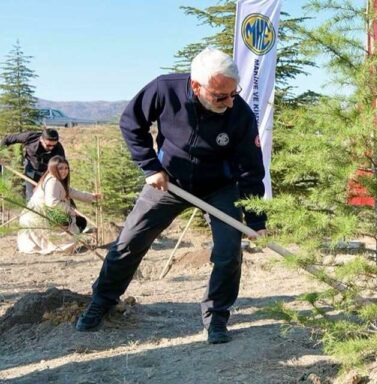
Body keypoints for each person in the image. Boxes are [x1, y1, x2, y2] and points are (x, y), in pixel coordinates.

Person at [75, 47, 268, 344]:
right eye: (220, 96)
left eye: (233, 93)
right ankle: (103, 300)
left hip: (219, 186)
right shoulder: (165, 89)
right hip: (168, 182)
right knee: (129, 240)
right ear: (196, 86)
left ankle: (216, 317)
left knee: (229, 252)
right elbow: (131, 123)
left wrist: (256, 220)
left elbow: (251, 169)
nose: (229, 102)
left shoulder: (239, 113)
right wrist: (149, 166)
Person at [17, 156, 99, 254]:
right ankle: (61, 247)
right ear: (53, 168)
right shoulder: (53, 181)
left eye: (66, 168)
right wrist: (70, 211)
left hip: (38, 216)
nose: (64, 171)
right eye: (60, 168)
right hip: (38, 217)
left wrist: (92, 197)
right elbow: (52, 203)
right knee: (77, 222)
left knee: (78, 222)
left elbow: (73, 192)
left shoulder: (56, 180)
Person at [2, 128, 66, 200]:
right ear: (41, 139)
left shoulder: (59, 149)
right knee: (31, 196)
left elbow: (61, 168)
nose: (51, 148)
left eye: (53, 145)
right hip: (31, 168)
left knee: (47, 196)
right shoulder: (30, 137)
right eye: (48, 145)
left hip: (47, 172)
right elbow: (8, 139)